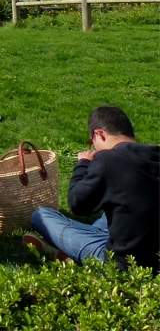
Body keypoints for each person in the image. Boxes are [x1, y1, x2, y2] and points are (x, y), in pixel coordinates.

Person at [26, 106, 158, 272]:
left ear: (99, 134)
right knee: (114, 211)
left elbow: (77, 204)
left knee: (40, 215)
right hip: (153, 257)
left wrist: (83, 165)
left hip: (122, 264)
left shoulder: (107, 160)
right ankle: (85, 239)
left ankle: (74, 252)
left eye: (92, 142)